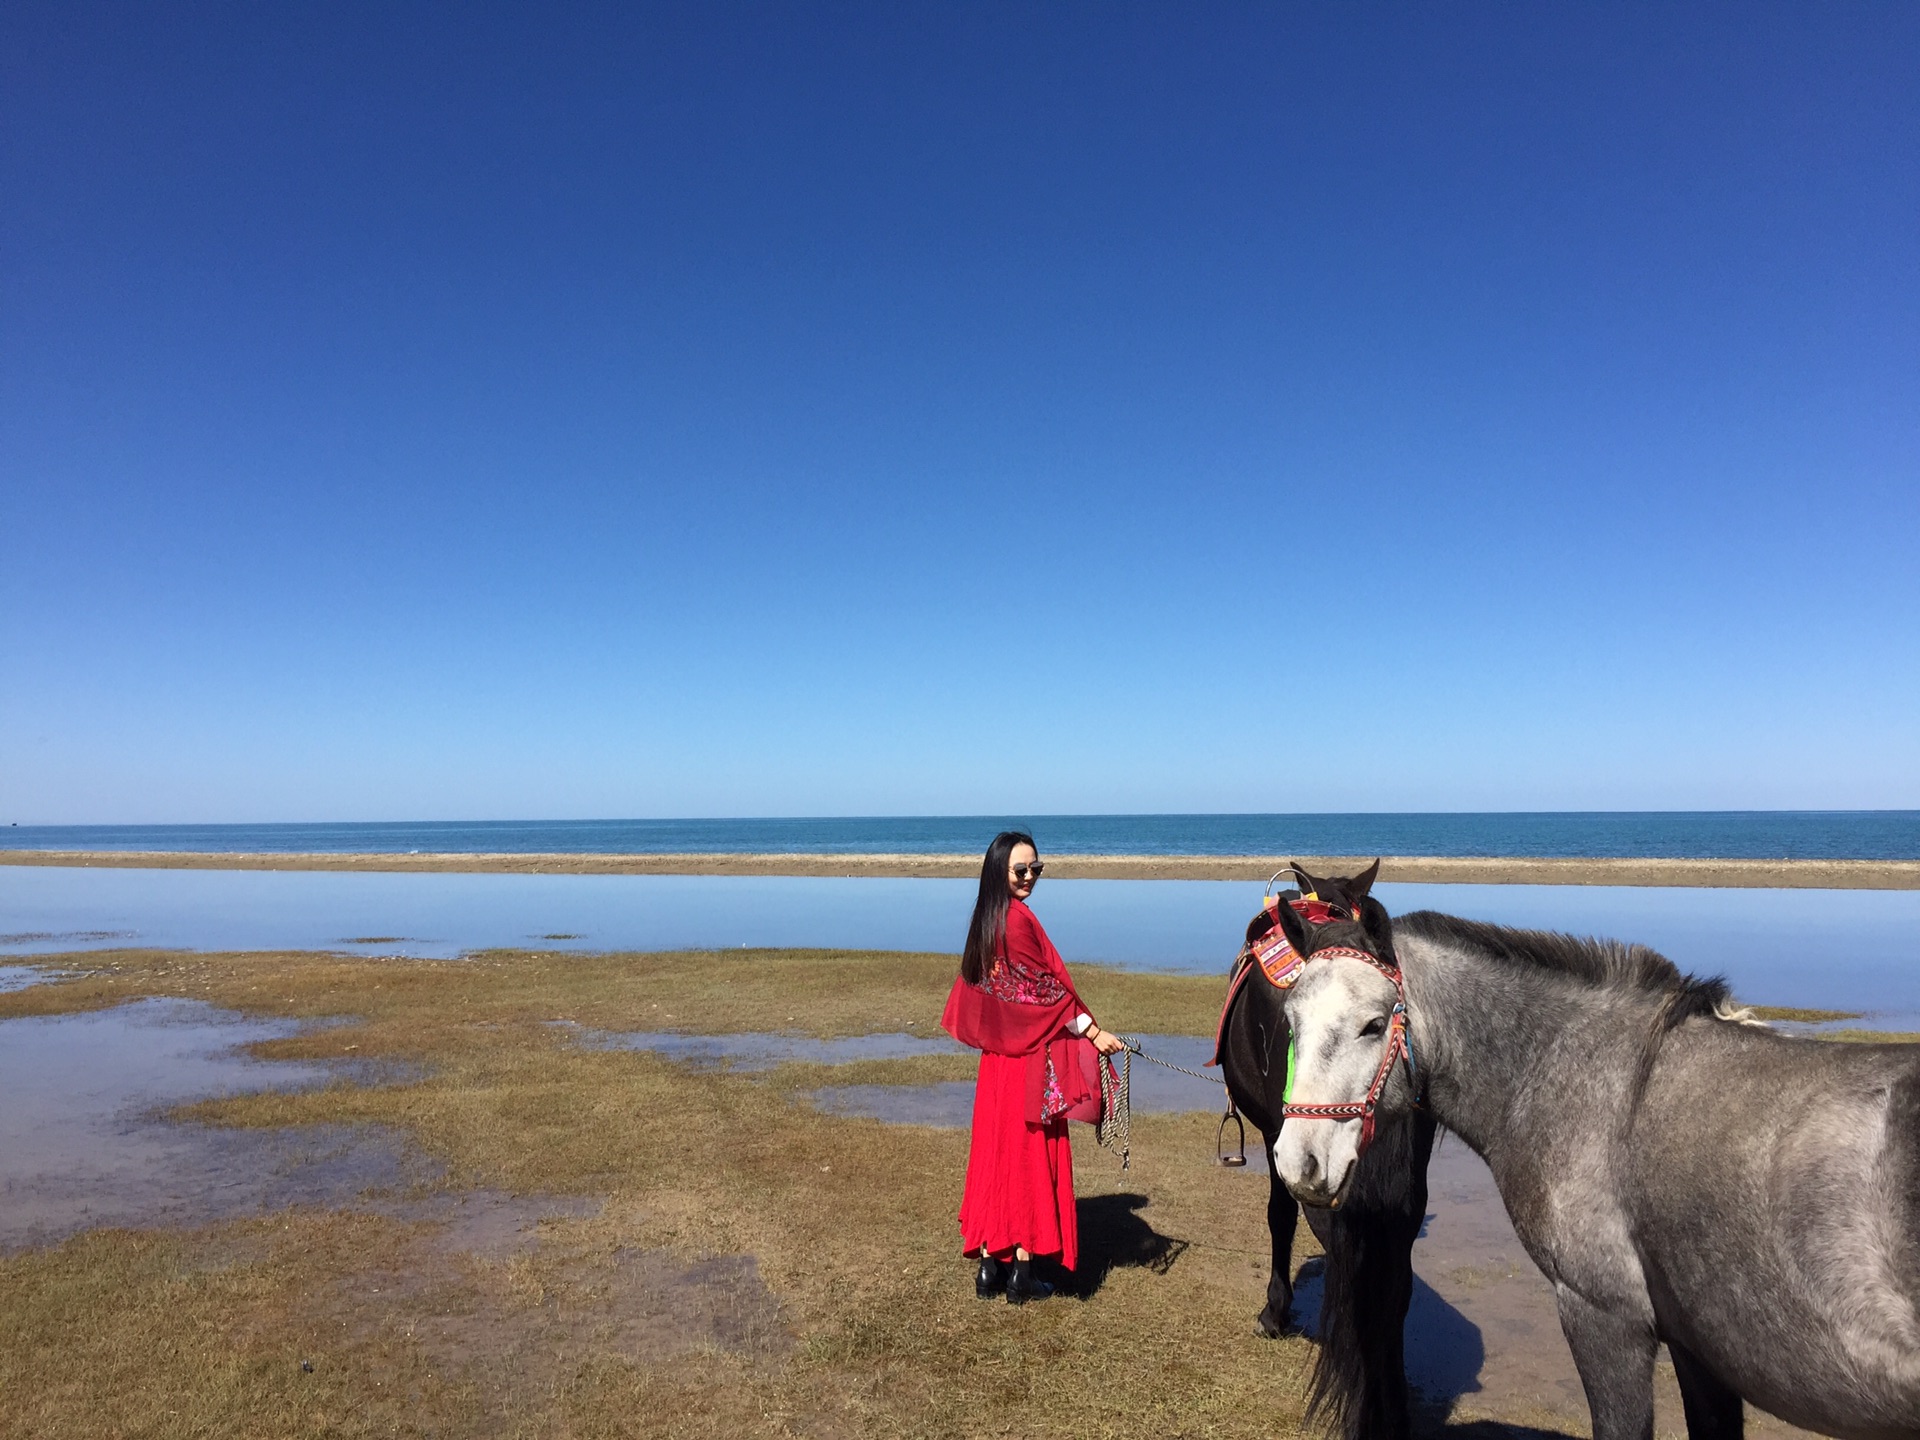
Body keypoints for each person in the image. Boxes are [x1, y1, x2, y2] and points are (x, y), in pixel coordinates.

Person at [940, 831, 1127, 1304]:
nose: (1029, 878)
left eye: (1036, 870)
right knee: (1029, 1158)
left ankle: (988, 1264)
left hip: (996, 1065)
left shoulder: (984, 919)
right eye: (1020, 871)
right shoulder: (1017, 920)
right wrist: (1092, 1032)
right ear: (999, 872)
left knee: (993, 1155)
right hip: (1028, 1064)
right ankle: (1022, 1272)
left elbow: (1002, 993)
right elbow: (1043, 992)